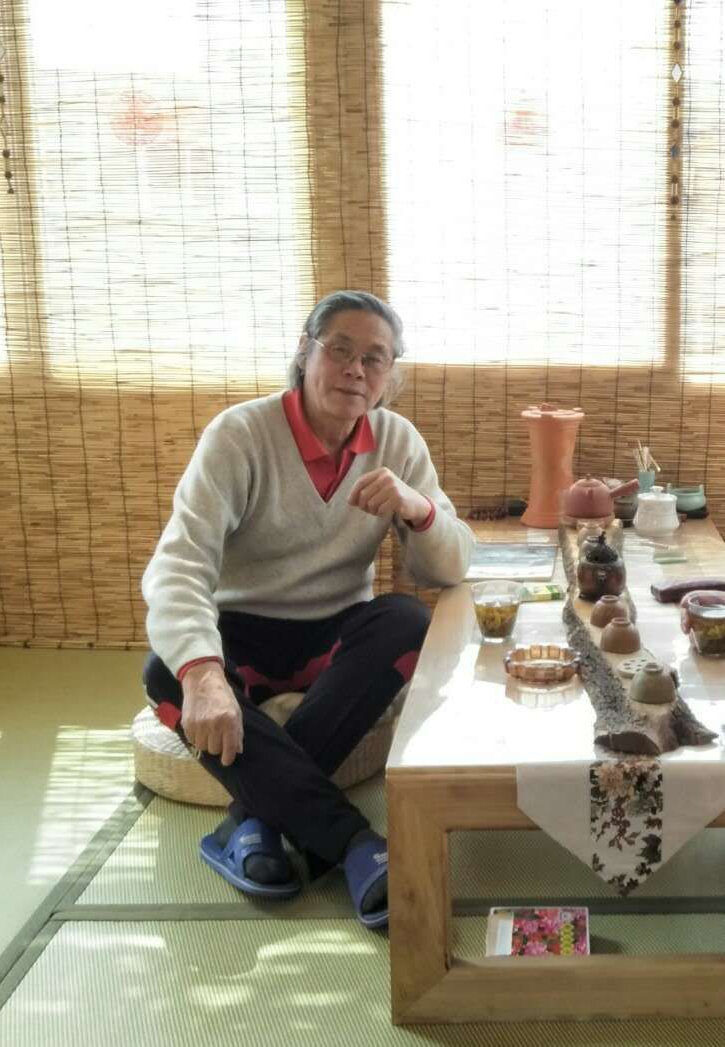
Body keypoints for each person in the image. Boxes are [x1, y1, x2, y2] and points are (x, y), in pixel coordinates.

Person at [142, 290, 473, 928]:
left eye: (375, 358)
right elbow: (178, 565)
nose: (356, 370)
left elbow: (449, 567)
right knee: (167, 672)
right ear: (304, 352)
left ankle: (250, 823)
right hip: (242, 638)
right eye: (340, 350)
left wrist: (418, 507)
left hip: (333, 641)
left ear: (390, 374)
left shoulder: (397, 440)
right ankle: (352, 843)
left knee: (407, 622)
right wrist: (203, 675)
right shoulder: (239, 435)